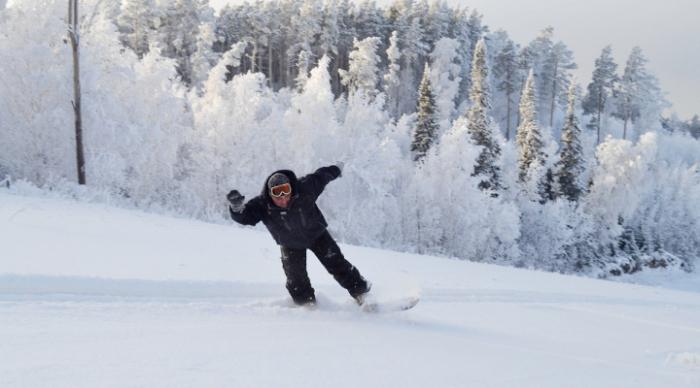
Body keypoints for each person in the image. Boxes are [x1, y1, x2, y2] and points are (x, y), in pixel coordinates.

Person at [226, 164, 371, 306]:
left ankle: (361, 293)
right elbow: (245, 216)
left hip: (317, 235)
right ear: (270, 193)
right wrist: (236, 208)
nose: (283, 198)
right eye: (277, 193)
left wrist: (336, 169)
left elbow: (321, 176)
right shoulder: (262, 204)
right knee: (295, 278)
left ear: (291, 187)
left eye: (285, 191)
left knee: (337, 264)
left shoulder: (304, 188)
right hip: (290, 243)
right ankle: (306, 304)